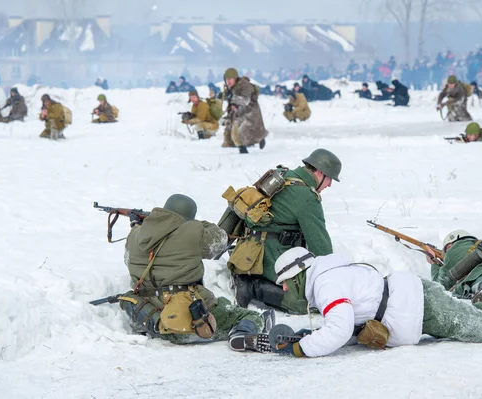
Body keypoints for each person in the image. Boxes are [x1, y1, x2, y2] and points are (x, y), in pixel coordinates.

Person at [267, 247, 482, 358]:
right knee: (471, 318)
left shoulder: (326, 284)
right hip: (414, 301)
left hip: (418, 306)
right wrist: (313, 336)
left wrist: (302, 348)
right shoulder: (327, 279)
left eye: (284, 280)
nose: (283, 287)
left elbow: (340, 330)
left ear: (298, 275)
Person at [119, 193, 273, 348]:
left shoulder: (134, 234)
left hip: (149, 312)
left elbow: (128, 260)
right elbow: (220, 241)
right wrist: (197, 224)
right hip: (187, 316)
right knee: (249, 316)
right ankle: (242, 335)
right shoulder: (192, 231)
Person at [229, 149, 341, 314]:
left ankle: (248, 278)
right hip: (270, 257)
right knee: (304, 304)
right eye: (330, 178)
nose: (330, 184)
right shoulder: (307, 198)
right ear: (319, 172)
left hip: (249, 251)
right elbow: (320, 246)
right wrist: (335, 279)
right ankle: (252, 287)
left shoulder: (282, 175)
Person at [220, 68, 268, 153]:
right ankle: (243, 151)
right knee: (235, 135)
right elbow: (231, 103)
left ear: (235, 78)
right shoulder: (232, 87)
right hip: (239, 114)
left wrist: (232, 98)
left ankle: (259, 140)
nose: (228, 81)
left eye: (230, 79)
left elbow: (245, 100)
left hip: (250, 112)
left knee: (246, 132)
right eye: (227, 79)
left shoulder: (245, 86)